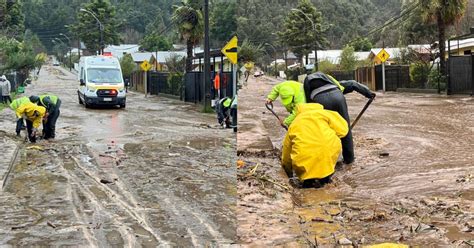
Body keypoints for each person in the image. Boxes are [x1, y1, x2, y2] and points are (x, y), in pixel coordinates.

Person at [303, 72, 375, 164]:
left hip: (319, 101)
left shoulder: (306, 83)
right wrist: (369, 93)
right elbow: (353, 83)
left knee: (323, 131)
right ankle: (349, 160)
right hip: (338, 97)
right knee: (345, 128)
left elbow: (308, 103)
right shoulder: (334, 83)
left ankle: (328, 161)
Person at [281, 103, 349, 188]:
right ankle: (326, 180)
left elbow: (286, 152)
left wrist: (288, 172)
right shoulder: (326, 113)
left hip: (304, 156)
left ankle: (308, 184)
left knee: (308, 183)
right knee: (326, 175)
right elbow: (343, 131)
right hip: (328, 150)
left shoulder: (295, 123)